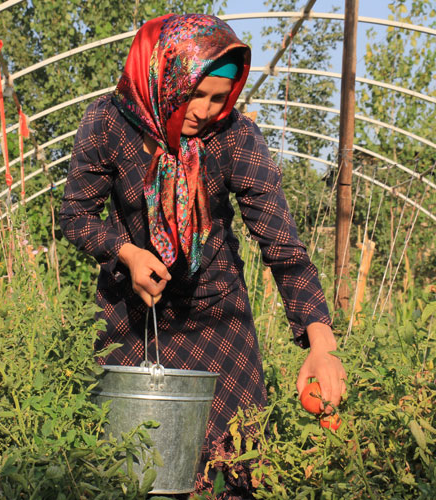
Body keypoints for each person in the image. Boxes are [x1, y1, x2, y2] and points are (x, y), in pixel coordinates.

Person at [60, 13, 346, 497]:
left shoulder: (235, 137)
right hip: (135, 321)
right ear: (167, 76)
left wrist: (321, 342)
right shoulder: (109, 124)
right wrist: (124, 251)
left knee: (233, 471)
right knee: (133, 473)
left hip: (219, 322)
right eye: (197, 94)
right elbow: (75, 216)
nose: (207, 110)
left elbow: (282, 245)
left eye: (220, 98)